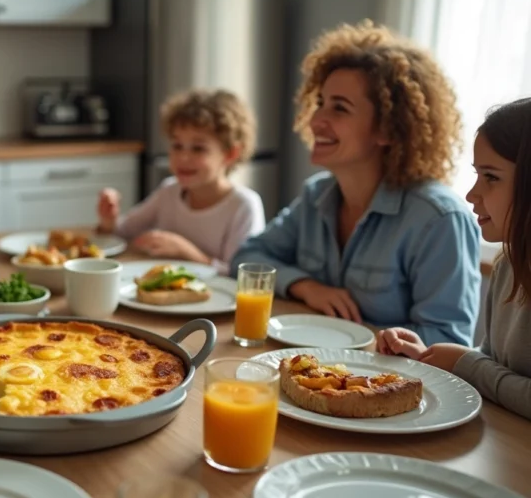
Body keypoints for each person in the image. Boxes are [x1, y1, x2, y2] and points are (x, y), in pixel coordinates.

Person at [229, 20, 481, 346]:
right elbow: (248, 257)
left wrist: (367, 342)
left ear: (388, 129)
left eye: (340, 108)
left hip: (384, 384)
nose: (316, 120)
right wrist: (306, 286)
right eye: (320, 103)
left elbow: (449, 338)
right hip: (312, 366)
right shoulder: (316, 194)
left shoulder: (439, 219)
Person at [378, 97, 531, 420]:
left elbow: (482, 370)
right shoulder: (509, 264)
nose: (472, 194)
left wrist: (467, 363)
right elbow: (493, 364)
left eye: (491, 177)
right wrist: (426, 355)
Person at [97, 88, 266, 275]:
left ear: (230, 154)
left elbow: (243, 275)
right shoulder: (169, 191)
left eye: (198, 148)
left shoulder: (243, 206)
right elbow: (123, 234)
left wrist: (186, 252)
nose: (183, 157)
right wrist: (109, 220)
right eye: (177, 145)